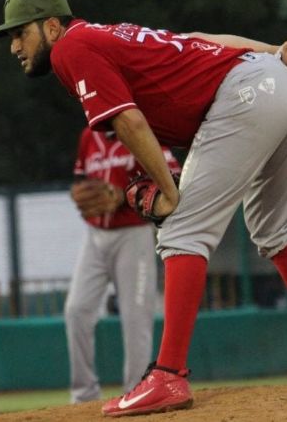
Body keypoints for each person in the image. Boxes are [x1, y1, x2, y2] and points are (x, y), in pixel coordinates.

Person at [0, 0, 287, 417]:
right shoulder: (110, 35)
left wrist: (168, 192)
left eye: (20, 33)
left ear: (51, 26)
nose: (13, 45)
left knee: (181, 227)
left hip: (247, 94)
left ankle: (169, 375)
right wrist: (278, 52)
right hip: (281, 85)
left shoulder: (72, 48)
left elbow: (129, 120)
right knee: (274, 228)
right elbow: (207, 41)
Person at [66, 127, 180, 403]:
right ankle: (84, 396)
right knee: (76, 310)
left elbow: (174, 180)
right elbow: (81, 180)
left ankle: (135, 391)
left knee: (135, 318)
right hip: (95, 236)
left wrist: (124, 196)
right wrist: (78, 192)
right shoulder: (88, 136)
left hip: (133, 234)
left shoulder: (140, 130)